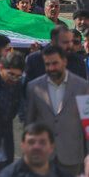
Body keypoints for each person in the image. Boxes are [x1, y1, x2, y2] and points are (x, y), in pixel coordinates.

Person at [26, 45, 89, 175]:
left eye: (55, 63)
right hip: (43, 156)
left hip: (72, 157)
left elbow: (87, 124)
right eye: (47, 64)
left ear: (64, 62)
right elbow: (29, 123)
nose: (51, 68)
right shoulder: (34, 87)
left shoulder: (82, 87)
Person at [0, 123, 73, 177]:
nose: (36, 147)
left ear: (52, 147)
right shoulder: (9, 175)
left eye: (42, 142)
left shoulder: (63, 175)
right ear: (23, 146)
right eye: (31, 142)